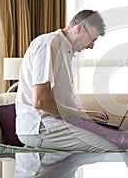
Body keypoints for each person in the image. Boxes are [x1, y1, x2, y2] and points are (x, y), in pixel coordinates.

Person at [15, 10, 120, 152]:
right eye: (92, 40)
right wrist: (83, 115)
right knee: (111, 149)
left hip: (57, 124)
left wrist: (86, 116)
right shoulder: (49, 44)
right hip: (41, 126)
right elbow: (40, 102)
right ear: (79, 28)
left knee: (113, 137)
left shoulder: (66, 51)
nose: (91, 46)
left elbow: (61, 102)